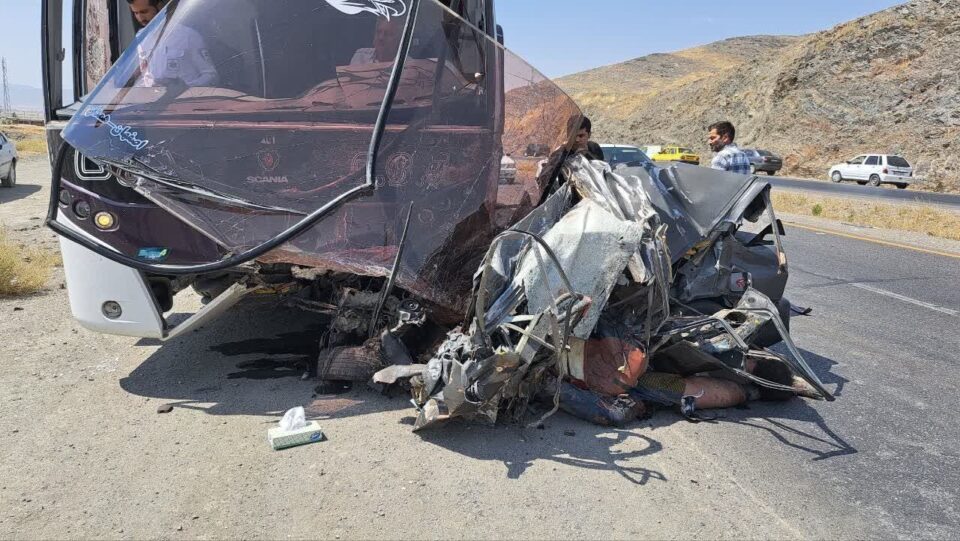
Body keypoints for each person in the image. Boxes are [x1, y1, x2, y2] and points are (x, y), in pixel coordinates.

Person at [128, 0, 219, 88]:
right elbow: (144, 77)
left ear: (159, 7)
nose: (140, 18)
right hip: (154, 101)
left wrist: (187, 86)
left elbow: (211, 76)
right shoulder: (140, 38)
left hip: (186, 100)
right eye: (136, 13)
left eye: (144, 12)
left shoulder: (188, 36)